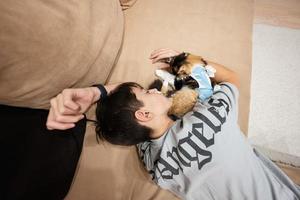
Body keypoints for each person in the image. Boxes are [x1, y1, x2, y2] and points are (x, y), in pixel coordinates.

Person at [46, 48, 300, 199]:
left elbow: (126, 114)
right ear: (143, 116)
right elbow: (232, 79)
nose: (154, 91)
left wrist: (97, 94)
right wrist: (183, 59)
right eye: (148, 93)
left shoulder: (155, 164)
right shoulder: (209, 117)